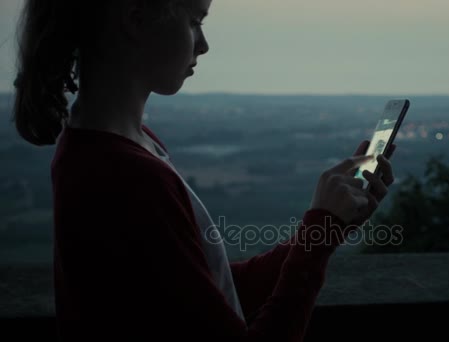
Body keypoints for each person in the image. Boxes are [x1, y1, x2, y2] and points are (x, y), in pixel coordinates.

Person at [11, 0, 397, 340]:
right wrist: (319, 231)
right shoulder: (125, 175)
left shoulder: (120, 146)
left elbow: (211, 293)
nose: (204, 44)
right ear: (136, 17)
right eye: (195, 21)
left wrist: (330, 226)